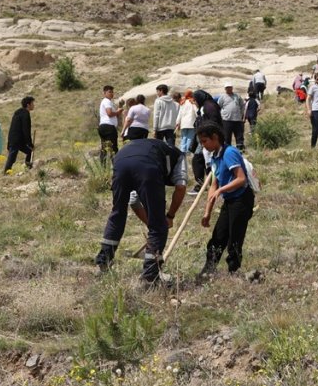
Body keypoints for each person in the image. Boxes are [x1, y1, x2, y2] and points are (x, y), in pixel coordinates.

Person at [95, 136, 189, 281]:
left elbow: (133, 200)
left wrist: (151, 224)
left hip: (120, 160)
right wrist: (168, 217)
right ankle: (151, 274)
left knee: (118, 213)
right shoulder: (180, 156)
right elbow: (181, 187)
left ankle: (103, 263)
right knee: (159, 224)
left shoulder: (153, 149)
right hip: (147, 165)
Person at [196, 122, 255, 279]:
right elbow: (214, 185)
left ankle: (233, 272)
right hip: (230, 200)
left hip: (242, 199)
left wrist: (222, 190)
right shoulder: (215, 156)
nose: (203, 145)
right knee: (218, 236)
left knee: (235, 237)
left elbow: (241, 179)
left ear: (215, 137)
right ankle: (209, 270)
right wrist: (207, 212)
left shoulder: (229, 153)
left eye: (204, 141)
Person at [3, 96, 35, 173]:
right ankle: (6, 172)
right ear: (28, 105)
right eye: (32, 103)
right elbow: (26, 130)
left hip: (15, 139)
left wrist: (9, 141)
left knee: (29, 152)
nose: (34, 105)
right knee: (12, 157)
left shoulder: (17, 113)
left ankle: (28, 169)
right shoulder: (25, 114)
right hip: (17, 140)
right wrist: (30, 143)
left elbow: (12, 128)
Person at [218, 83, 246, 149]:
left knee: (239, 136)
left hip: (237, 120)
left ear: (232, 88)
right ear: (225, 89)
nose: (229, 89)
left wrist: (241, 115)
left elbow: (242, 106)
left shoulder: (237, 96)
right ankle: (228, 151)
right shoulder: (222, 97)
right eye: (227, 87)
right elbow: (218, 107)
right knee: (227, 137)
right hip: (226, 120)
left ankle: (240, 150)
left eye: (230, 87)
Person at [98, 86, 121, 158]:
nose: (111, 93)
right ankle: (116, 166)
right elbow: (110, 113)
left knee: (104, 148)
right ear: (104, 93)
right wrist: (118, 112)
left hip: (103, 126)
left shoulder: (107, 102)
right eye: (109, 92)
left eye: (112, 92)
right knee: (113, 148)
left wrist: (117, 112)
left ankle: (103, 168)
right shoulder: (107, 101)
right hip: (109, 127)